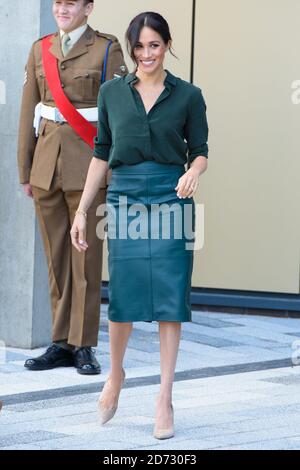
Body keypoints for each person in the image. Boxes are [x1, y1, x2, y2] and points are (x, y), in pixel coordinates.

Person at [71, 11, 209, 438]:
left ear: (167, 45)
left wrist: (194, 171)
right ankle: (116, 375)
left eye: (155, 45)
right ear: (130, 48)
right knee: (126, 295)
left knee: (171, 296)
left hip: (173, 195)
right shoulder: (112, 93)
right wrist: (82, 210)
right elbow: (101, 152)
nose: (146, 54)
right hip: (125, 196)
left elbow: (201, 149)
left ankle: (165, 397)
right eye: (139, 46)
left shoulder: (188, 95)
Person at [17, 0, 128, 375]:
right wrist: (25, 168)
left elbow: (118, 115)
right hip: (46, 167)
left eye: (71, 3)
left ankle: (83, 345)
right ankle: (60, 342)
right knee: (56, 258)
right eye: (58, 3)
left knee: (85, 257)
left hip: (88, 168)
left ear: (88, 8)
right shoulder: (40, 48)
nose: (62, 9)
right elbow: (28, 109)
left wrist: (115, 168)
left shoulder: (107, 49)